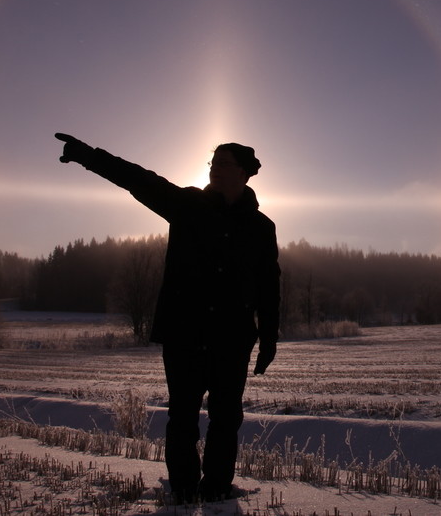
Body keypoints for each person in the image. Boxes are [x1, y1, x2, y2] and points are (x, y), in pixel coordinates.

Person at [54, 132, 280, 504]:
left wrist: (269, 338)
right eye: (212, 163)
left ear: (245, 173)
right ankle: (184, 489)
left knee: (226, 420)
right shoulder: (188, 205)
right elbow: (139, 179)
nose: (215, 169)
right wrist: (88, 156)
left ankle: (218, 489)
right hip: (185, 336)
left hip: (232, 339)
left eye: (224, 163)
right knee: (183, 418)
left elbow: (269, 286)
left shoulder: (261, 228)